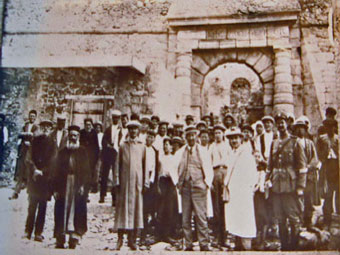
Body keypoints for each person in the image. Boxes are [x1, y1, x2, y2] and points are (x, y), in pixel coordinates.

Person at [267, 112, 307, 251]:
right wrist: (267, 180)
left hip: (291, 186)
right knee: (280, 218)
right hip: (277, 186)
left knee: (293, 217)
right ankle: (284, 247)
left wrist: (300, 187)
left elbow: (302, 167)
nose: (280, 125)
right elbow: (270, 165)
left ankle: (294, 247)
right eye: (278, 122)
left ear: (287, 124)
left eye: (282, 122)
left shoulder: (295, 142)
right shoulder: (274, 143)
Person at [53, 125, 91, 249]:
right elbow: (56, 172)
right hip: (64, 184)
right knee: (62, 210)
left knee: (76, 210)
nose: (73, 138)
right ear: (68, 137)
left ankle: (73, 238)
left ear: (78, 137)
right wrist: (55, 189)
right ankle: (60, 237)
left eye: (75, 136)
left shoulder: (82, 151)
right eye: (71, 136)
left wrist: (82, 186)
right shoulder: (62, 152)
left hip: (77, 184)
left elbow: (86, 171)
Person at [177, 125, 213, 251]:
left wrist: (206, 184)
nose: (191, 138)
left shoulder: (202, 151)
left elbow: (208, 168)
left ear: (196, 136)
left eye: (193, 135)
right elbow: (176, 166)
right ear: (186, 137)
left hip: (199, 187)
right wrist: (179, 183)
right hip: (186, 187)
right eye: (189, 135)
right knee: (185, 217)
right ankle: (188, 244)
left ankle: (204, 243)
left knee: (201, 216)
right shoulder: (182, 151)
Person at [113, 121, 148, 251]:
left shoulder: (142, 146)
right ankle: (120, 239)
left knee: (135, 211)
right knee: (122, 211)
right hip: (125, 183)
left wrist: (145, 182)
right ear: (128, 130)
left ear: (138, 131)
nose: (133, 131)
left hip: (137, 184)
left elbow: (145, 165)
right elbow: (117, 164)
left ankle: (132, 240)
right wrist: (116, 180)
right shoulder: (123, 146)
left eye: (135, 129)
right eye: (131, 129)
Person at [223, 127, 258, 251]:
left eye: (236, 138)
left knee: (245, 219)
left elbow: (252, 173)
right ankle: (238, 244)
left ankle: (246, 246)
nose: (234, 141)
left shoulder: (245, 152)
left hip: (243, 191)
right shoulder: (232, 153)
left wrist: (249, 188)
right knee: (235, 219)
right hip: (234, 191)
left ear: (241, 139)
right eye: (231, 138)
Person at [24, 119, 56, 241]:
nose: (46, 129)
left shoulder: (52, 143)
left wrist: (44, 171)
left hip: (45, 179)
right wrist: (34, 169)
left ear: (51, 129)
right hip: (34, 178)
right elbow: (28, 158)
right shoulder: (34, 141)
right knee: (32, 205)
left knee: (42, 206)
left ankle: (38, 232)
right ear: (41, 128)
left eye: (48, 127)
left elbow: (54, 160)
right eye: (44, 127)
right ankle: (28, 231)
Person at [294, 119, 321, 229]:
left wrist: (307, 167)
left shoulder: (309, 143)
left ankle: (308, 221)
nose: (300, 130)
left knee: (308, 199)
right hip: (296, 176)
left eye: (303, 128)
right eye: (298, 128)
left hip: (308, 176)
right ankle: (297, 222)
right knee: (296, 199)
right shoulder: (293, 143)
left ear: (306, 130)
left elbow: (315, 159)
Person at [156, 137, 181, 249]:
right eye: (164, 144)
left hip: (171, 183)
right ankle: (159, 234)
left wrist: (176, 182)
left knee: (170, 209)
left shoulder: (175, 158)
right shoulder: (160, 158)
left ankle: (168, 234)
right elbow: (158, 172)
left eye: (168, 144)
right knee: (160, 208)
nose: (166, 146)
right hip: (162, 182)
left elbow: (177, 172)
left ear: (171, 147)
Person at [317, 119, 339, 230]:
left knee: (338, 194)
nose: (330, 129)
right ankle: (327, 220)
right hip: (327, 168)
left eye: (332, 126)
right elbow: (319, 154)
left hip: (337, 167)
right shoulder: (321, 139)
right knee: (328, 194)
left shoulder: (338, 139)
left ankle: (337, 219)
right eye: (327, 126)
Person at [209, 124, 229, 250]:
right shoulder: (211, 147)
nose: (217, 135)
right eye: (215, 133)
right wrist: (210, 180)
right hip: (215, 173)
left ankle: (225, 238)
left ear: (223, 134)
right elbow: (208, 163)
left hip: (225, 173)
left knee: (225, 206)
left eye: (219, 132)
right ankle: (216, 237)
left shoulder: (227, 146)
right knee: (216, 207)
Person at [11, 110, 39, 199]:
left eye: (33, 116)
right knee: (22, 166)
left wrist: (30, 140)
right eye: (31, 116)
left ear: (35, 118)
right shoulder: (25, 126)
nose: (32, 118)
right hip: (23, 149)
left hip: (31, 149)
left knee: (29, 166)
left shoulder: (36, 127)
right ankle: (19, 186)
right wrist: (26, 134)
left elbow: (36, 137)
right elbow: (19, 134)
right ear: (29, 116)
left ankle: (28, 185)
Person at [140, 129, 159, 250]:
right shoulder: (142, 150)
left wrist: (154, 182)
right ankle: (142, 235)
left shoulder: (155, 151)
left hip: (152, 182)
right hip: (143, 181)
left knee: (153, 209)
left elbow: (156, 168)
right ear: (146, 137)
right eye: (148, 137)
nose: (150, 139)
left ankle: (152, 235)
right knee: (143, 210)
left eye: (152, 137)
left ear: (154, 139)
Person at [100, 110, 122, 204]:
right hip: (108, 154)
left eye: (117, 118)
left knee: (115, 175)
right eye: (114, 118)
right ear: (112, 118)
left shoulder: (121, 130)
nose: (115, 119)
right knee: (104, 175)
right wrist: (108, 145)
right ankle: (102, 195)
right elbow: (103, 140)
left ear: (119, 119)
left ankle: (114, 197)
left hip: (116, 154)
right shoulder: (108, 129)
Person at [80, 118, 99, 197]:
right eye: (86, 125)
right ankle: (81, 192)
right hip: (82, 158)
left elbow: (96, 147)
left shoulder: (94, 133)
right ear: (84, 125)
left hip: (91, 159)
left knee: (89, 177)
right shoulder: (81, 133)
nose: (88, 126)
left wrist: (95, 159)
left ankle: (86, 194)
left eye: (89, 125)